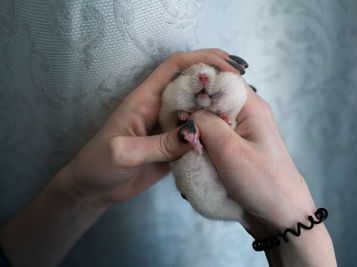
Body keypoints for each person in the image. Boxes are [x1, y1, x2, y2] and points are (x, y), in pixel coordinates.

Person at [0, 49, 337, 267]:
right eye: (193, 78)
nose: (205, 80)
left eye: (217, 77)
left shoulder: (232, 109)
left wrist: (80, 192)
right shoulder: (175, 112)